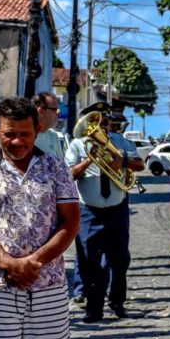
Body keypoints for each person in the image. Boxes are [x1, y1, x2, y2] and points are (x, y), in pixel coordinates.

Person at [0, 97, 79, 339]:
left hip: (49, 284)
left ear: (37, 131)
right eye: (10, 134)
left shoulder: (56, 167)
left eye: (25, 134)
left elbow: (70, 220)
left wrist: (35, 263)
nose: (18, 141)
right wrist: (9, 263)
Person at [65, 103, 145, 323]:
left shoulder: (120, 142)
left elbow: (140, 165)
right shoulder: (77, 145)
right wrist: (90, 158)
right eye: (97, 123)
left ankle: (117, 302)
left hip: (117, 209)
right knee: (90, 260)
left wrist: (123, 161)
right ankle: (94, 308)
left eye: (105, 123)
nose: (102, 127)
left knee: (119, 259)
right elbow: (69, 174)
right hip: (89, 210)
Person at [31, 91, 65, 158]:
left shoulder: (53, 136)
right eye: (55, 109)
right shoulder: (25, 135)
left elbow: (61, 166)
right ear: (41, 111)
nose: (58, 114)